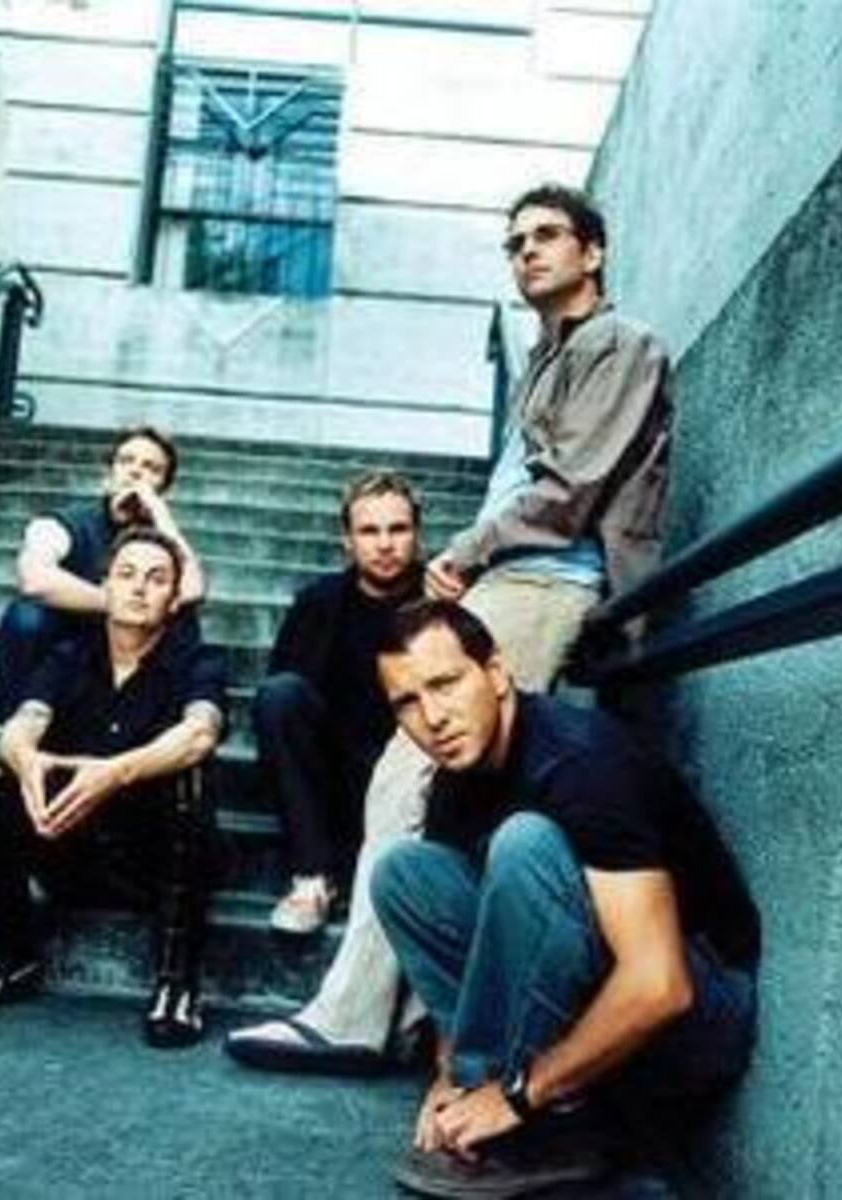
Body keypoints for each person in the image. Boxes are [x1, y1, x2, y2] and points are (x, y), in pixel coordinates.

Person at [225, 182, 674, 1071]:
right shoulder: (548, 356)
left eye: (547, 235)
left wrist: (467, 550)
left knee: (408, 772)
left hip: (547, 579)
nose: (527, 251)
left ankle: (354, 1015)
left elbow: (571, 491)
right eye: (514, 242)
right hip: (510, 576)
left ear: (593, 252)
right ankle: (402, 1016)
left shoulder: (622, 344)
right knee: (436, 791)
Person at [370, 601, 759, 1197]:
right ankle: (517, 1105)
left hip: (697, 1019)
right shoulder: (455, 780)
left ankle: (541, 1123)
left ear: (496, 672)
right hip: (589, 1001)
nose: (433, 717)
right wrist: (450, 1074)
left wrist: (516, 1095)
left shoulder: (581, 763)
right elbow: (472, 971)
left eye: (445, 684)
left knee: (526, 844)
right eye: (407, 702)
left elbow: (661, 986)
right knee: (405, 875)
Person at [0, 528, 227, 1048]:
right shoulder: (70, 654)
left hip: (152, 858)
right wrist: (26, 760)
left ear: (174, 598)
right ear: (105, 586)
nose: (139, 588)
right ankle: (3, 957)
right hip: (69, 843)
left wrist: (114, 772)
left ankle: (177, 984)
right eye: (126, 574)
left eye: (157, 578)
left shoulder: (197, 660)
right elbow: (20, 726)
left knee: (190, 778)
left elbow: (199, 734)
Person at [255, 471, 425, 936]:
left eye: (398, 529)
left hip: (412, 771)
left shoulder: (439, 603)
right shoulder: (317, 602)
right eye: (369, 531)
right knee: (279, 695)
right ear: (347, 540)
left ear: (417, 534)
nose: (385, 544)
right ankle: (312, 879)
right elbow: (282, 718)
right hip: (332, 777)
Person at [0, 424, 206, 722]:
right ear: (108, 474)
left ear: (164, 488)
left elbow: (193, 589)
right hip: (71, 652)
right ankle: (18, 729)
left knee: (183, 618)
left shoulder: (163, 534)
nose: (136, 472)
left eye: (151, 468)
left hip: (133, 659)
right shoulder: (63, 524)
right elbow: (34, 579)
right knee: (26, 618)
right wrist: (117, 602)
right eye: (126, 461)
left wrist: (160, 514)